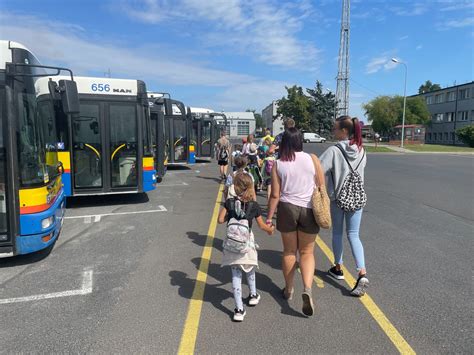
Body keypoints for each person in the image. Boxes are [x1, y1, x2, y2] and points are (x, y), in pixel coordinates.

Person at [267, 127, 322, 316]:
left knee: (289, 251)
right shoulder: (312, 159)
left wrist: (268, 217)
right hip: (308, 209)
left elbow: (275, 194)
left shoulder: (278, 164)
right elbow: (321, 185)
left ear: (284, 143)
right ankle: (307, 289)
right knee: (307, 252)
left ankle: (289, 289)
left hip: (287, 208)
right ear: (300, 142)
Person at [319, 116, 369, 297]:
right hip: (357, 198)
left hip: (338, 198)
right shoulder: (362, 150)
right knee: (354, 235)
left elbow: (319, 168)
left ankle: (338, 267)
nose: (333, 131)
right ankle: (362, 273)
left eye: (335, 129)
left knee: (338, 233)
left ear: (344, 131)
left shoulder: (334, 150)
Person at [218, 172, 275, 322]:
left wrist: (229, 209)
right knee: (249, 269)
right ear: (251, 187)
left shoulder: (229, 203)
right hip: (246, 244)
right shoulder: (254, 206)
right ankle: (253, 295)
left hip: (232, 245)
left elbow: (219, 220)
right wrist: (270, 230)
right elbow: (262, 226)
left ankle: (238, 310)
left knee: (236, 276)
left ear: (235, 187)